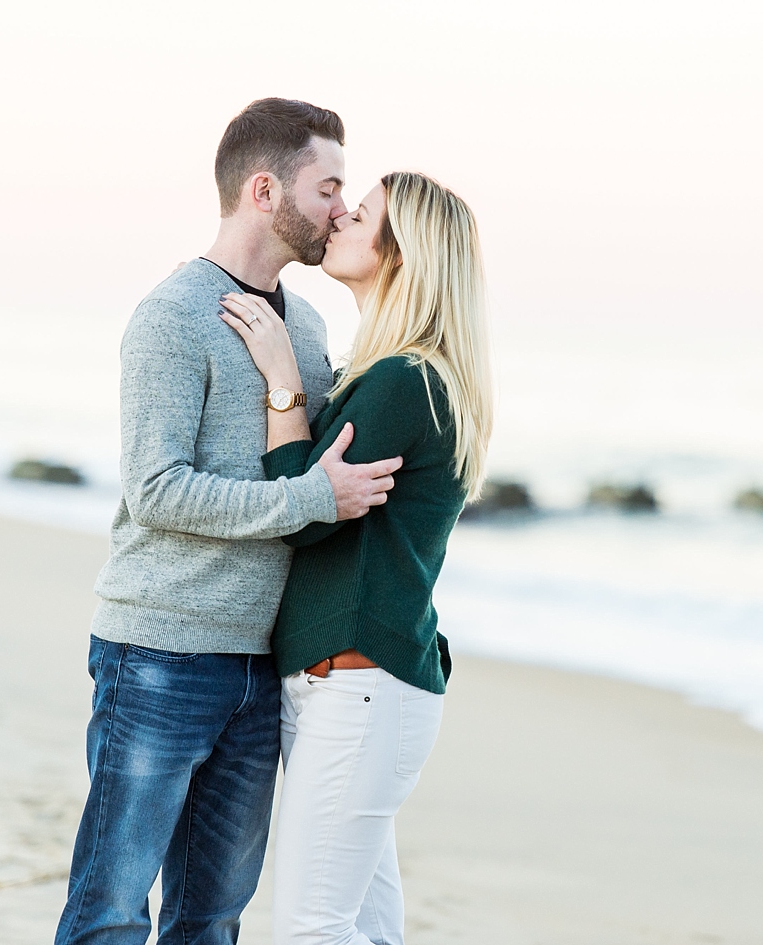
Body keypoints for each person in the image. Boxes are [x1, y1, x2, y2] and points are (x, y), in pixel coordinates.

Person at [56, 99, 404, 945]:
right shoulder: (174, 316)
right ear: (263, 190)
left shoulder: (309, 325)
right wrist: (310, 500)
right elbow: (158, 490)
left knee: (212, 919)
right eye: (328, 187)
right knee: (109, 912)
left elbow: (310, 462)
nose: (339, 209)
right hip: (160, 656)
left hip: (262, 669)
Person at [217, 170, 492, 945]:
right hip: (357, 686)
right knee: (363, 925)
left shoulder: (404, 380)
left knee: (313, 928)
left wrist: (281, 381)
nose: (338, 217)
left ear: (400, 254)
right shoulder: (391, 373)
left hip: (360, 685)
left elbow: (303, 518)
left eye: (359, 214)